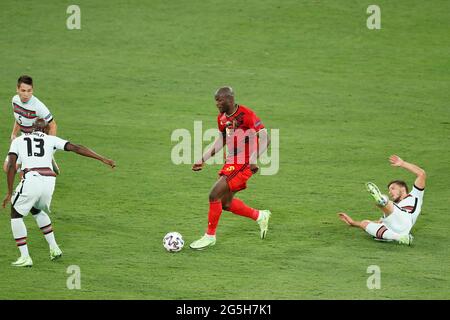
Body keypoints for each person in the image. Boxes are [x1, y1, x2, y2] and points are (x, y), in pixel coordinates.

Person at [2, 119, 115, 267]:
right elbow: (76, 148)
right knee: (35, 209)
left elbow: (11, 166)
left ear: (31, 128)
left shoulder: (19, 140)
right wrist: (103, 159)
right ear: (46, 130)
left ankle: (25, 257)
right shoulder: (51, 139)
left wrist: (10, 193)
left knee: (16, 214)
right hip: (49, 183)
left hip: (32, 179)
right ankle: (54, 248)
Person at [189, 86, 272, 250]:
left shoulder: (246, 114)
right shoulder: (221, 118)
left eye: (220, 100)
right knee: (226, 203)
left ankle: (209, 236)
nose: (217, 104)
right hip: (232, 161)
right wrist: (203, 158)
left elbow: (265, 137)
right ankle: (260, 216)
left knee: (214, 194)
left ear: (230, 99)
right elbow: (222, 140)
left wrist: (254, 159)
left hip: (244, 163)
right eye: (216, 101)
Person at [338, 155, 426, 245]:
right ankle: (400, 238)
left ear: (403, 188)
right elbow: (380, 221)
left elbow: (421, 174)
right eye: (389, 190)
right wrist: (353, 222)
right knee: (365, 223)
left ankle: (381, 200)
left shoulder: (415, 195)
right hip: (396, 229)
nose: (390, 192)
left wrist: (403, 163)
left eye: (393, 188)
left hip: (405, 219)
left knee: (389, 205)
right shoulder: (395, 206)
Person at [3, 75, 60, 174]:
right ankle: (42, 163)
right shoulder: (15, 100)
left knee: (24, 173)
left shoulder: (38, 106)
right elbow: (18, 118)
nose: (26, 94)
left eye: (29, 91)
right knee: (7, 169)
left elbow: (53, 125)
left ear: (32, 90)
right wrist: (13, 134)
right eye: (23, 90)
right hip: (22, 138)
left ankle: (38, 163)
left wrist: (50, 146)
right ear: (17, 89)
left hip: (34, 141)